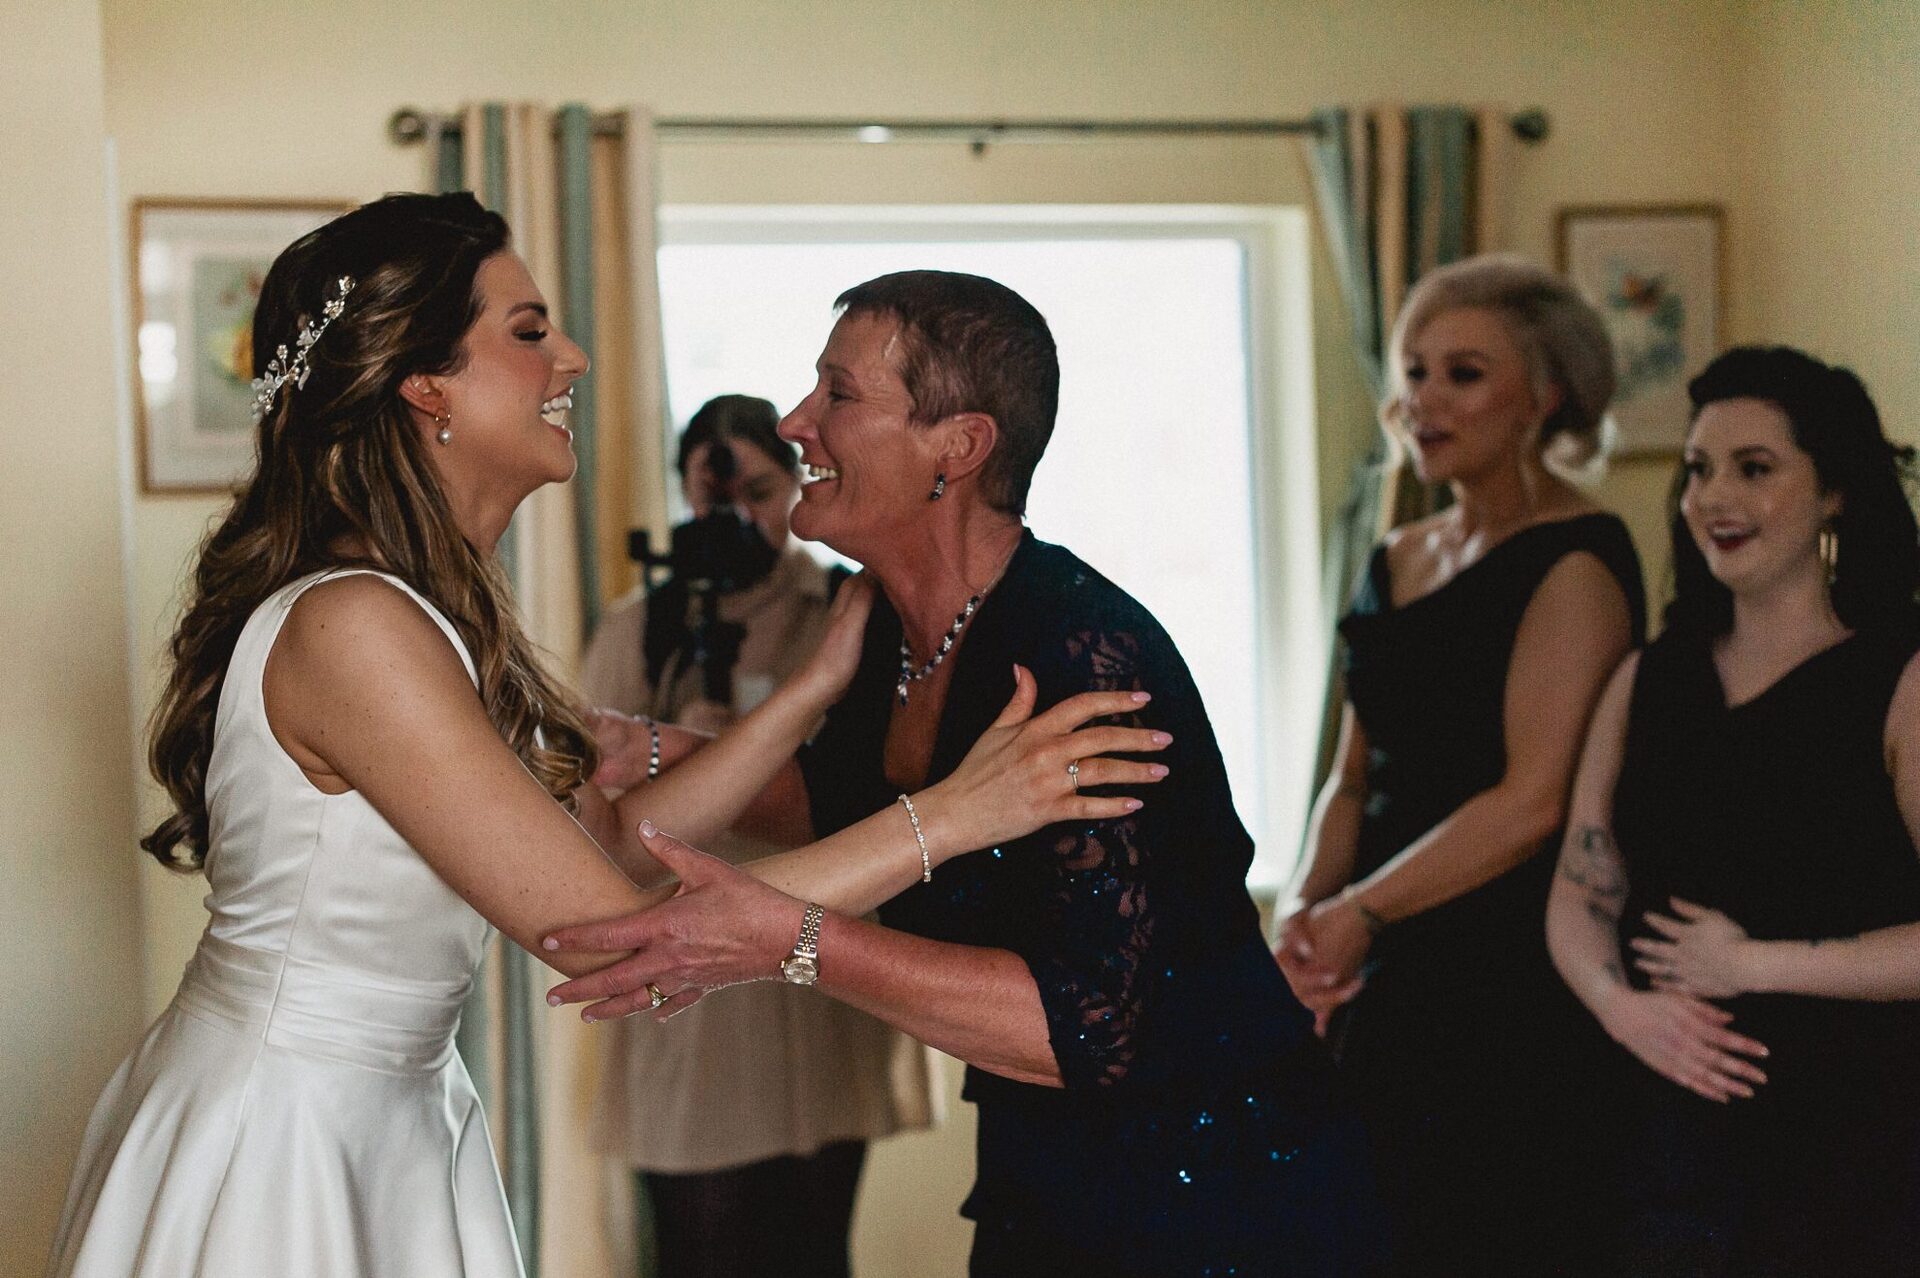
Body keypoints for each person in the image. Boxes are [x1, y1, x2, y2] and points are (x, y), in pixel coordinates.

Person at [46, 196, 1168, 1278]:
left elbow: (621, 844)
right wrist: (956, 816)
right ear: (424, 385)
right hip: (287, 1135)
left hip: (393, 1113)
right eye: (529, 333)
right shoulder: (354, 626)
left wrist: (811, 687)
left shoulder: (428, 607)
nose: (572, 359)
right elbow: (617, 936)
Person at [544, 270, 1385, 1277]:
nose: (795, 423)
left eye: (838, 397)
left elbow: (1095, 1026)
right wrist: (650, 747)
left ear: (960, 447)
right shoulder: (887, 635)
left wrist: (795, 944)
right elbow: (831, 807)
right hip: (1046, 1172)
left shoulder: (1083, 661)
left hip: (1218, 1194)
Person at [1273, 254, 1645, 1274]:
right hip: (1376, 970)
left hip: (1506, 976)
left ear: (1546, 394)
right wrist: (1302, 917)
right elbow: (1351, 777)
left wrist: (1361, 914)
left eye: (1465, 374)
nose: (1425, 400)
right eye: (1417, 371)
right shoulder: (1397, 554)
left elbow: (1533, 803)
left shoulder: (1578, 559)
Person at [1547, 346, 1920, 1276]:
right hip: (1654, 1118)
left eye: (1755, 469)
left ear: (1834, 492)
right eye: (1700, 469)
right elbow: (1581, 889)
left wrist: (1752, 963)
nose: (1716, 496)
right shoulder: (1646, 676)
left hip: (1848, 1132)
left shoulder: (1900, 682)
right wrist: (1622, 1009)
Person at [580, 394, 930, 1278]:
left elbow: (879, 784)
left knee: (815, 1251)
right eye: (712, 496)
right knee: (698, 1251)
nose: (737, 517)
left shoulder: (847, 610)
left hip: (819, 984)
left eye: (762, 493)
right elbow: (589, 816)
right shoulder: (638, 629)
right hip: (695, 1004)